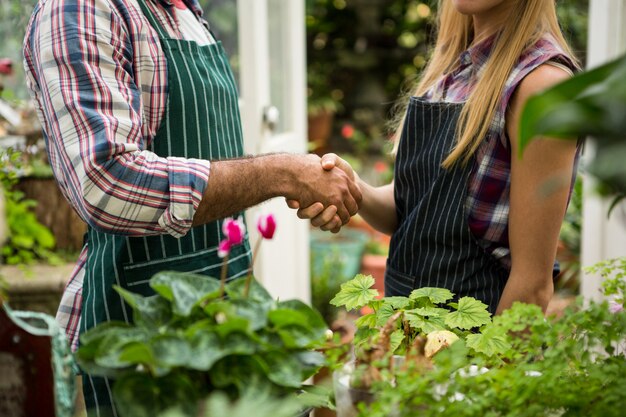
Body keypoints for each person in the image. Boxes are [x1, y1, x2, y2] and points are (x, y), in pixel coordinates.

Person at [23, 0, 360, 414]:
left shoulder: (186, 12)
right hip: (147, 337)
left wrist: (303, 177)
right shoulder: (81, 9)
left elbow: (213, 159)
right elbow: (107, 180)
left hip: (227, 314)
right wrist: (283, 173)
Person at [292, 0, 580, 316]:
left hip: (471, 349)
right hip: (408, 336)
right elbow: (417, 209)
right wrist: (353, 187)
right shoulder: (454, 70)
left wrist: (481, 366)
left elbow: (532, 285)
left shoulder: (541, 86)